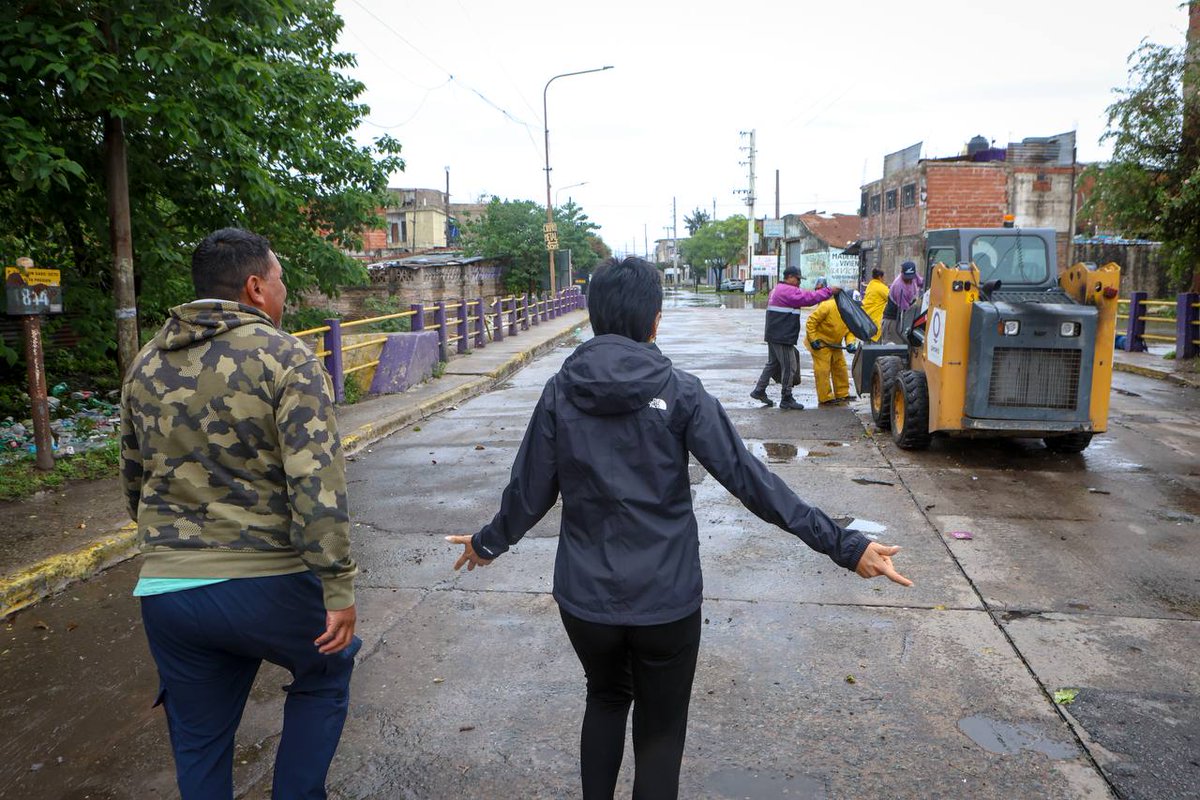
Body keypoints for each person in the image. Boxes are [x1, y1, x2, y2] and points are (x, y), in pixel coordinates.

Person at [446, 257, 912, 800]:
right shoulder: (681, 392)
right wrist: (844, 545)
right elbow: (750, 482)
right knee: (661, 731)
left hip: (585, 601)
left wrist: (487, 543)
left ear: (593, 317)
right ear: (655, 320)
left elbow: (529, 492)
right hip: (666, 603)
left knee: (604, 698)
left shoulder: (560, 391)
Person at [121, 228, 360, 799]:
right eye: (279, 281)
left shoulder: (145, 364)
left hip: (168, 592)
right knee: (329, 665)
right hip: (268, 584)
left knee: (200, 742)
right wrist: (338, 587)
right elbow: (316, 483)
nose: (283, 292)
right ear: (255, 287)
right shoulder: (287, 357)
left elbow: (134, 483)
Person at [750, 266, 837, 410]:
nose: (799, 283)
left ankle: (759, 390)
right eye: (797, 279)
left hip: (774, 334)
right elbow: (809, 298)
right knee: (789, 366)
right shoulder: (788, 291)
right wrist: (828, 291)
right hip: (782, 335)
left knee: (772, 363)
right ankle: (786, 397)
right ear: (789, 277)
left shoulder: (777, 289)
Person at [806, 298, 857, 405]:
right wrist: (813, 339)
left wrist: (850, 343)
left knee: (840, 368)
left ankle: (842, 394)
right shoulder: (827, 306)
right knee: (823, 370)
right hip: (820, 343)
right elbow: (811, 322)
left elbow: (850, 331)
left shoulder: (850, 313)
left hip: (835, 344)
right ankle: (825, 397)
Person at [861, 268, 889, 342]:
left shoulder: (870, 285)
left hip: (867, 319)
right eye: (884, 277)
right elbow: (892, 298)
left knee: (867, 346)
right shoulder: (881, 287)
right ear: (880, 277)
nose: (884, 279)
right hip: (875, 321)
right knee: (875, 349)